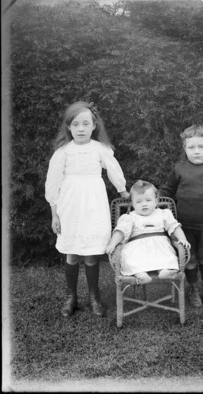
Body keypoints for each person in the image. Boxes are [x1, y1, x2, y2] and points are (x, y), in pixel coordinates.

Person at [45, 101, 129, 318]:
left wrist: (123, 191)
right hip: (70, 206)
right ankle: (71, 297)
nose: (80, 129)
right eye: (75, 124)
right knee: (72, 254)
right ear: (69, 127)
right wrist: (55, 213)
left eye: (85, 124)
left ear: (94, 126)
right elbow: (53, 183)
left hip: (94, 205)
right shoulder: (63, 152)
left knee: (91, 255)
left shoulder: (100, 149)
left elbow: (113, 169)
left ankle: (94, 296)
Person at [159, 125, 203, 307]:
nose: (196, 151)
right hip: (184, 226)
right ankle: (193, 289)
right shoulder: (179, 169)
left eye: (201, 147)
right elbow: (168, 190)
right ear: (185, 148)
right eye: (191, 147)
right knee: (189, 258)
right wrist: (155, 201)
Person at [105, 180, 190, 284]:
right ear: (132, 204)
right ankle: (141, 275)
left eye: (148, 200)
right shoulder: (129, 217)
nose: (144, 204)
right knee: (132, 259)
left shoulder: (163, 214)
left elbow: (174, 226)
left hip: (160, 246)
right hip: (137, 247)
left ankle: (163, 271)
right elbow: (120, 232)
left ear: (156, 201)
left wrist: (182, 239)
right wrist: (112, 244)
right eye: (139, 202)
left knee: (166, 256)